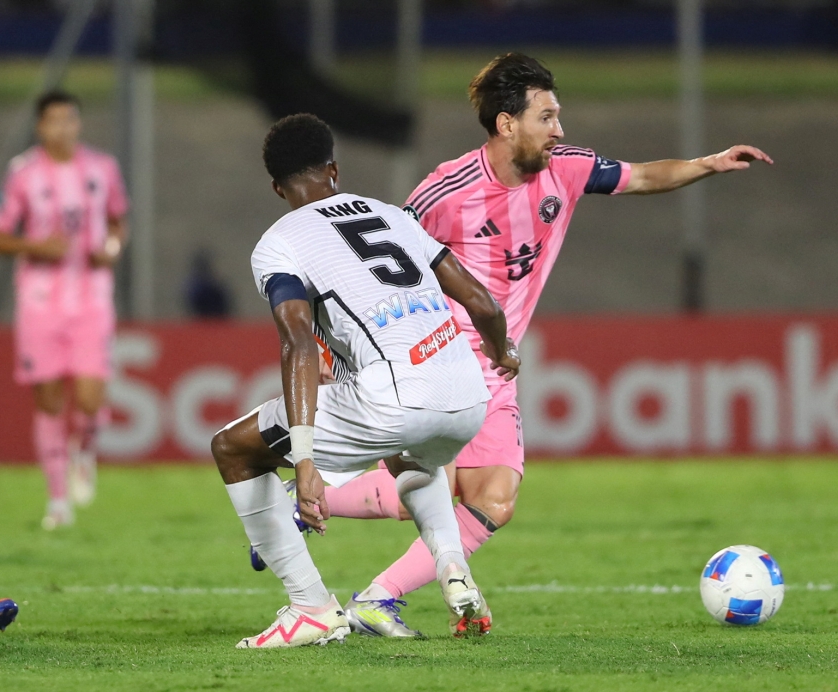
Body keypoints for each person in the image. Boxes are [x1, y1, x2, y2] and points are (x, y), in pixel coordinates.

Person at [315, 53, 773, 636]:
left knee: (492, 500)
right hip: (439, 360)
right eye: (547, 117)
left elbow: (642, 176)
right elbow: (377, 265)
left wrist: (708, 164)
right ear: (508, 124)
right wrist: (339, 346)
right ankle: (327, 529)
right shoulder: (446, 190)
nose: (560, 130)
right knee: (431, 492)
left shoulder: (567, 170)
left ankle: (367, 586)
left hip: (496, 366)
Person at [211, 113, 520, 648]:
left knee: (233, 449)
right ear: (334, 169)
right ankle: (452, 567)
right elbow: (481, 302)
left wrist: (305, 461)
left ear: (277, 187)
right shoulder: (391, 216)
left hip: (394, 397)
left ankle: (309, 608)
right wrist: (503, 352)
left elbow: (299, 343)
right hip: (469, 395)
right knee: (412, 456)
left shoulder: (279, 242)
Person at [0, 90, 129, 530]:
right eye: (55, 120)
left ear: (78, 123)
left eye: (70, 119)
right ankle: (58, 501)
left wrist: (112, 248)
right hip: (39, 301)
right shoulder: (23, 173)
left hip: (91, 298)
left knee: (89, 396)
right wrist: (32, 244)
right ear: (40, 126)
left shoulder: (102, 169)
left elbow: (118, 221)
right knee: (47, 400)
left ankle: (83, 450)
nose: (63, 128)